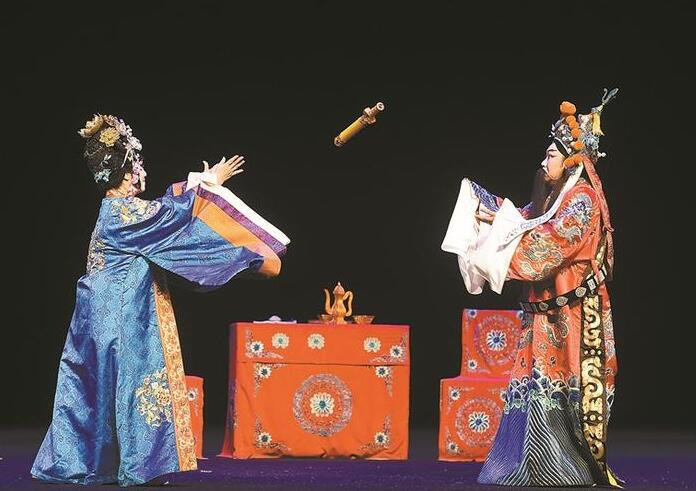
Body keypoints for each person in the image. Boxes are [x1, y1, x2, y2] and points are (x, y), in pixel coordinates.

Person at [31, 114, 290, 486]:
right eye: (138, 165)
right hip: (120, 315)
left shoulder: (116, 212)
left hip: (97, 314)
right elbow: (171, 214)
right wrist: (208, 184)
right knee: (131, 382)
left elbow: (164, 214)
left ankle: (102, 463)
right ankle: (137, 467)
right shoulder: (123, 213)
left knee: (97, 387)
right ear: (127, 173)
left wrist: (199, 185)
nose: (142, 171)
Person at [442, 89, 621, 486]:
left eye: (551, 155)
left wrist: (500, 237)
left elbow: (546, 244)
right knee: (536, 385)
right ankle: (533, 466)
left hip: (575, 317)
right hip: (546, 314)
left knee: (564, 388)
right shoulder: (557, 197)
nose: (544, 161)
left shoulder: (581, 200)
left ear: (572, 160)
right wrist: (486, 209)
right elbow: (524, 219)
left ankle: (564, 468)